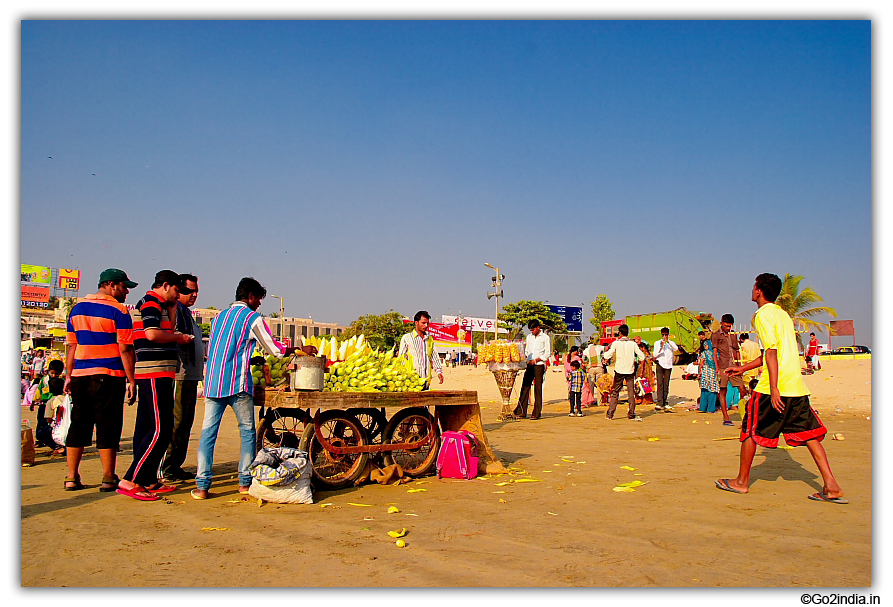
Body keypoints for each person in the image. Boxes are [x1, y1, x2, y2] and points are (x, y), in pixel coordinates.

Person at [717, 273, 845, 503]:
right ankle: (831, 485)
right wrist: (742, 368)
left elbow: (772, 352)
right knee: (809, 434)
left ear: (759, 291)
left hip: (773, 387)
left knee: (750, 431)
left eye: (754, 286)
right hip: (795, 386)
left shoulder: (763, 315)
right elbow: (770, 354)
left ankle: (741, 482)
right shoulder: (783, 315)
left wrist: (774, 388)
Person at [192, 277, 314, 500]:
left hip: (212, 382)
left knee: (208, 433)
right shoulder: (251, 317)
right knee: (247, 432)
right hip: (237, 383)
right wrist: (299, 348)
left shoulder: (219, 316)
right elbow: (274, 348)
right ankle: (244, 482)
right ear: (249, 297)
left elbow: (224, 347)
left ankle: (202, 486)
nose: (259, 303)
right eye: (258, 298)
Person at [117, 271, 194, 501]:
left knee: (147, 427)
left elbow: (165, 329)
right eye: (177, 291)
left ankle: (148, 477)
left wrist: (170, 311)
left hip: (160, 372)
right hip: (153, 372)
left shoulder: (160, 305)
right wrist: (179, 338)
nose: (178, 295)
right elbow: (151, 334)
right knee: (160, 428)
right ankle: (133, 479)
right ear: (166, 286)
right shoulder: (150, 303)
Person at [63, 269, 138, 493]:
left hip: (80, 376)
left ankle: (71, 476)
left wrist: (68, 375)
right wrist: (131, 380)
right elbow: (125, 348)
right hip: (109, 375)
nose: (126, 292)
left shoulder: (76, 310)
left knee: (78, 425)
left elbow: (71, 346)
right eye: (124, 287)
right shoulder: (118, 310)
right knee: (107, 426)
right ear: (112, 285)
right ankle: (107, 477)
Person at [160, 274, 205, 484]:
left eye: (196, 291)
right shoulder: (174, 311)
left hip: (191, 377)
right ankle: (167, 467)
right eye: (188, 291)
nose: (193, 295)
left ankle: (175, 465)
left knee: (186, 422)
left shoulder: (187, 314)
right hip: (179, 375)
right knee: (177, 422)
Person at [602, 324, 646, 421]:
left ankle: (610, 413)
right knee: (631, 392)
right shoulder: (633, 344)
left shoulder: (616, 343)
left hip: (619, 370)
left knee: (615, 392)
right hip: (630, 370)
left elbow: (608, 355)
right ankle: (631, 413)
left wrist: (604, 355)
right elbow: (641, 356)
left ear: (620, 333)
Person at [513, 320, 551, 420]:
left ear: (538, 327)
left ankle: (536, 412)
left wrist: (536, 360)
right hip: (529, 364)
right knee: (525, 386)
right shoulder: (529, 337)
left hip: (539, 364)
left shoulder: (545, 338)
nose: (532, 331)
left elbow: (547, 353)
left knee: (537, 388)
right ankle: (521, 411)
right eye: (530, 330)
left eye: (533, 329)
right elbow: (527, 350)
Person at [398, 311, 444, 389]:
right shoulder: (407, 338)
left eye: (427, 323)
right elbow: (401, 358)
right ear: (416, 323)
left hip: (426, 379)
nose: (426, 325)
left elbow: (434, 357)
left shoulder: (429, 339)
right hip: (411, 380)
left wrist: (439, 372)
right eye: (423, 323)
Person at [711, 314, 742, 426]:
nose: (728, 328)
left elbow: (736, 351)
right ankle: (726, 417)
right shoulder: (716, 335)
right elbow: (714, 353)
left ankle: (745, 414)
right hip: (723, 367)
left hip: (733, 366)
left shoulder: (733, 335)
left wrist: (740, 366)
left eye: (730, 326)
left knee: (742, 389)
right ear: (722, 323)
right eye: (727, 326)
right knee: (723, 391)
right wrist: (717, 368)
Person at [33, 359, 65, 452]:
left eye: (56, 373)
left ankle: (55, 444)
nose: (54, 375)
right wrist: (33, 401)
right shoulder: (44, 380)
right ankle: (40, 441)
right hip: (44, 404)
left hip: (53, 405)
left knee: (49, 425)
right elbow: (39, 391)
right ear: (48, 371)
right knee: (40, 423)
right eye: (52, 373)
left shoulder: (61, 381)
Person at [652, 328, 678, 411]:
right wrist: (661, 347)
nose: (664, 336)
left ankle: (665, 401)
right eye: (663, 335)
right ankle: (660, 402)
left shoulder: (671, 343)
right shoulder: (657, 343)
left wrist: (668, 342)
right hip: (660, 364)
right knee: (660, 384)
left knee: (666, 384)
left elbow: (676, 349)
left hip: (668, 365)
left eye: (666, 335)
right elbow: (655, 354)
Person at [696, 331, 720, 413]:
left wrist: (699, 373)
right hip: (713, 373)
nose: (705, 346)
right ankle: (711, 409)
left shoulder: (703, 353)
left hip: (705, 373)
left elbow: (701, 364)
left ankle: (702, 408)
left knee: (704, 390)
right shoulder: (716, 354)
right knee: (712, 391)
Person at [738, 333, 762, 398]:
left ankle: (748, 397)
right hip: (756, 366)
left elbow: (743, 356)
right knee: (754, 383)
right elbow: (760, 355)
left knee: (747, 384)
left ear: (741, 339)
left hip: (747, 366)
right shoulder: (756, 344)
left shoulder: (743, 345)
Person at [634, 342, 656, 407]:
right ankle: (646, 400)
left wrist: (641, 373)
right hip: (647, 370)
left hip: (644, 370)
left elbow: (643, 362)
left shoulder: (643, 354)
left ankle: (643, 400)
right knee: (645, 384)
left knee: (643, 384)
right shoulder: (647, 354)